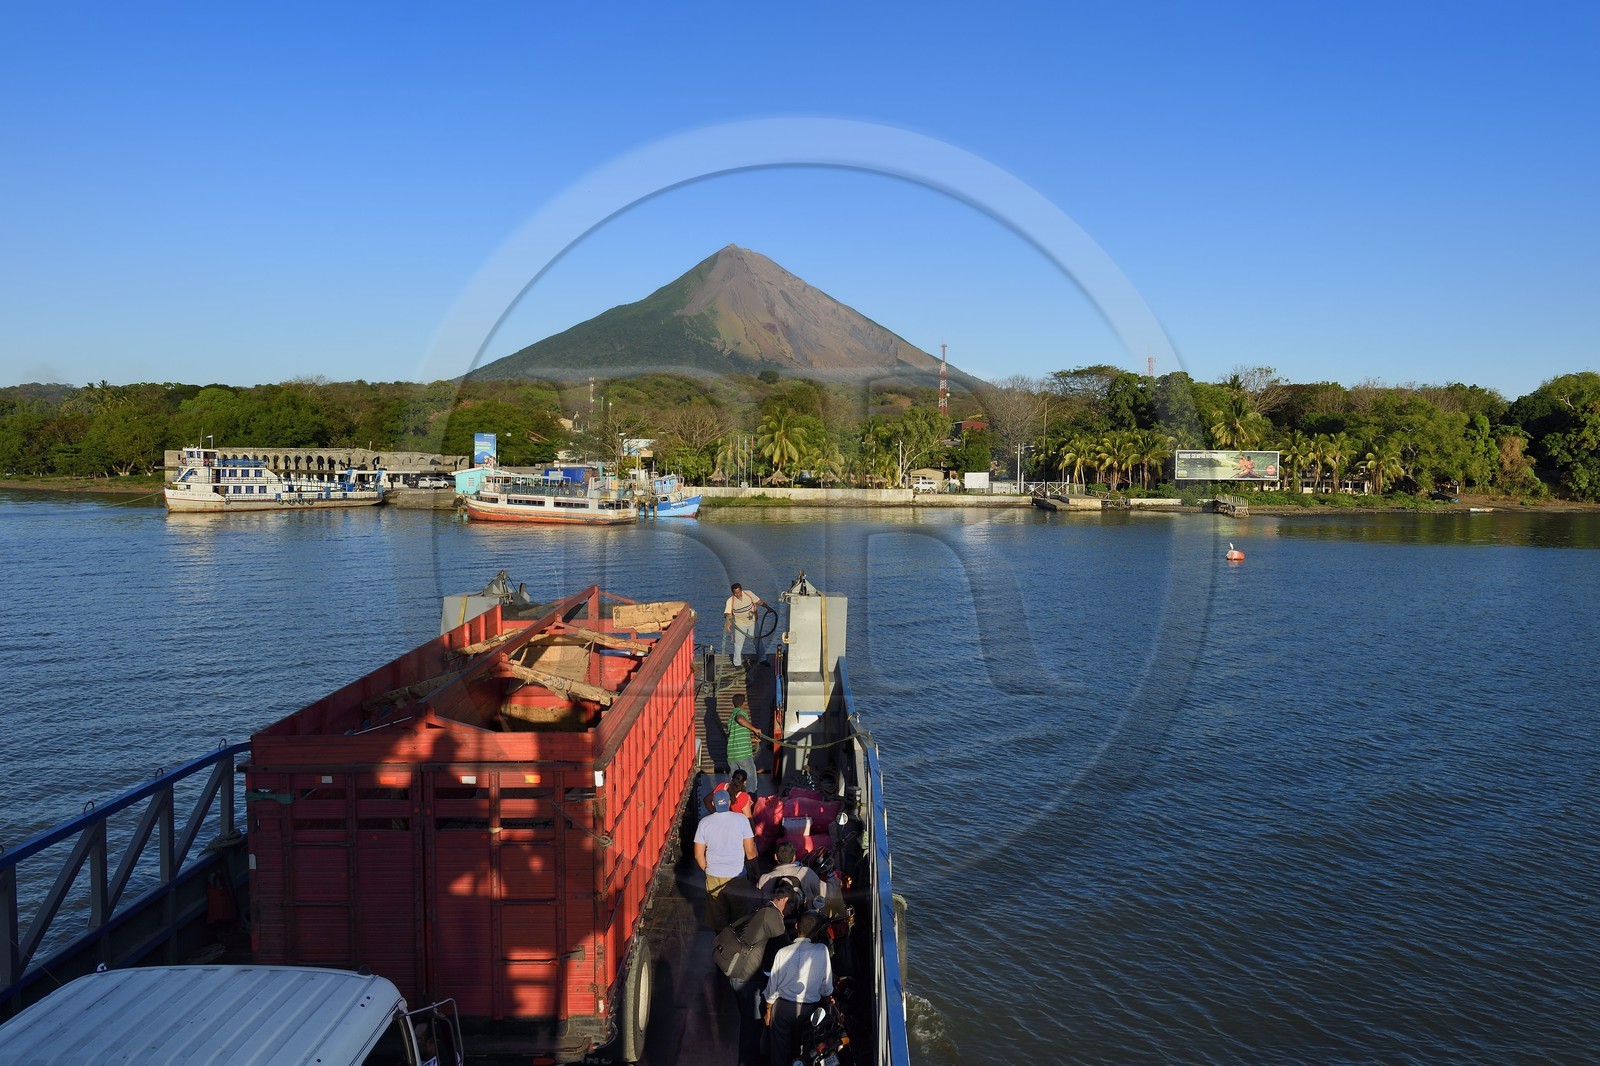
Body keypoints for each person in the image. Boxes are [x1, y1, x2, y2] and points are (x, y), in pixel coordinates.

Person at [724, 879, 796, 1066]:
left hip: (738, 975)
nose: (789, 911)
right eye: (790, 906)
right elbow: (786, 948)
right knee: (752, 1026)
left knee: (747, 1022)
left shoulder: (762, 910)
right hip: (748, 980)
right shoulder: (772, 916)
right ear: (784, 899)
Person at [764, 913, 834, 1066]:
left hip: (782, 1009)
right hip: (809, 1011)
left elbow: (772, 986)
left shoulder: (782, 953)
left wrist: (769, 1009)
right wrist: (828, 999)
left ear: (796, 926)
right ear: (815, 932)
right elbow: (826, 987)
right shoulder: (822, 950)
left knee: (779, 1053)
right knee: (807, 1051)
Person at [693, 788, 756, 933]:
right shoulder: (741, 820)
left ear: (714, 805)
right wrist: (755, 871)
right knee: (739, 916)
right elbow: (750, 851)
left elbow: (698, 855)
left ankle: (720, 946)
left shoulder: (705, 822)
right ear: (728, 803)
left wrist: (708, 870)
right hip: (737, 876)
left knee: (718, 917)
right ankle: (736, 947)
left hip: (714, 876)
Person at [756, 840, 823, 905]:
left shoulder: (764, 878)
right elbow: (823, 891)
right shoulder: (806, 872)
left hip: (773, 915)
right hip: (803, 915)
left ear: (775, 857)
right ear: (794, 857)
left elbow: (757, 902)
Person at [723, 582, 766, 668]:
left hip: (752, 622)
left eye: (738, 592)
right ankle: (737, 663)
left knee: (758, 641)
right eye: (735, 593)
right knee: (738, 644)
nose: (737, 594)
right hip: (740, 624)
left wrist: (769, 608)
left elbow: (759, 601)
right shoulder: (730, 601)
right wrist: (728, 622)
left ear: (741, 590)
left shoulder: (748, 594)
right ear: (733, 593)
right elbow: (728, 613)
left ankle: (762, 659)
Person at [724, 694, 759, 792]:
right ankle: (751, 799)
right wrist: (754, 729)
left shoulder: (731, 718)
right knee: (750, 777)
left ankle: (733, 797)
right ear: (744, 703)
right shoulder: (740, 713)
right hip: (743, 754)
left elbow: (734, 737)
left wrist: (753, 740)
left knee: (734, 780)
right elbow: (740, 719)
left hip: (732, 755)